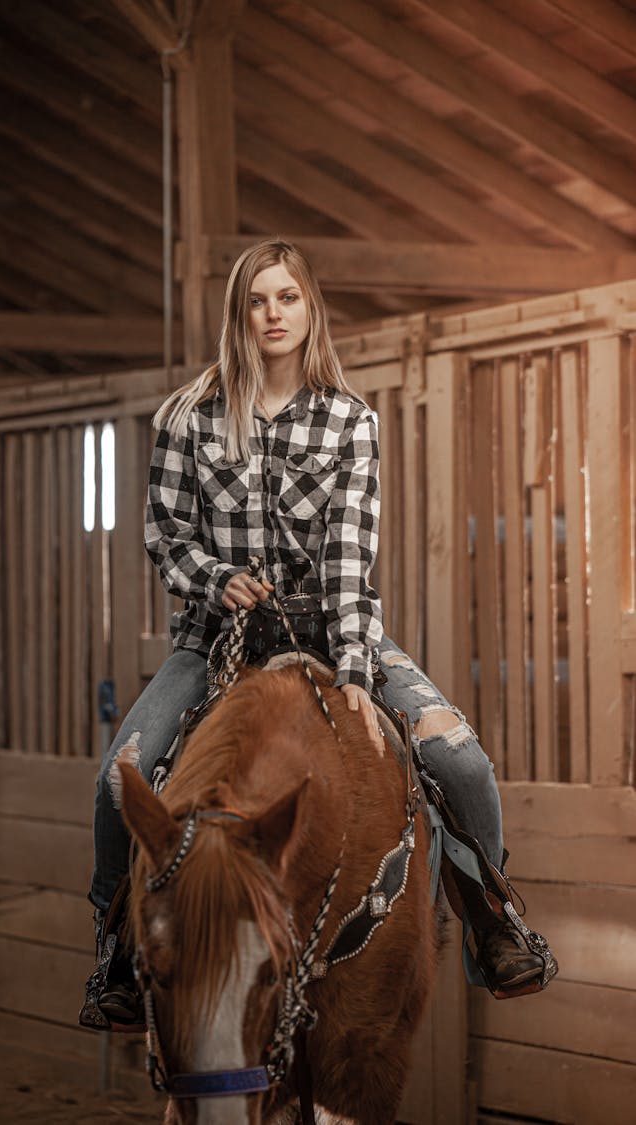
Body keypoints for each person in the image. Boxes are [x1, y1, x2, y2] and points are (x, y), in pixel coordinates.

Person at [79, 239, 552, 1031]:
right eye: (259, 299)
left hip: (332, 631)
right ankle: (119, 951)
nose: (274, 314)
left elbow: (348, 558)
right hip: (215, 640)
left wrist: (359, 670)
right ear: (241, 312)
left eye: (288, 298)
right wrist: (211, 578)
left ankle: (494, 924)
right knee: (117, 777)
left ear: (309, 308)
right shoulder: (189, 418)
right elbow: (164, 532)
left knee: (461, 761)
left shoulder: (349, 422)